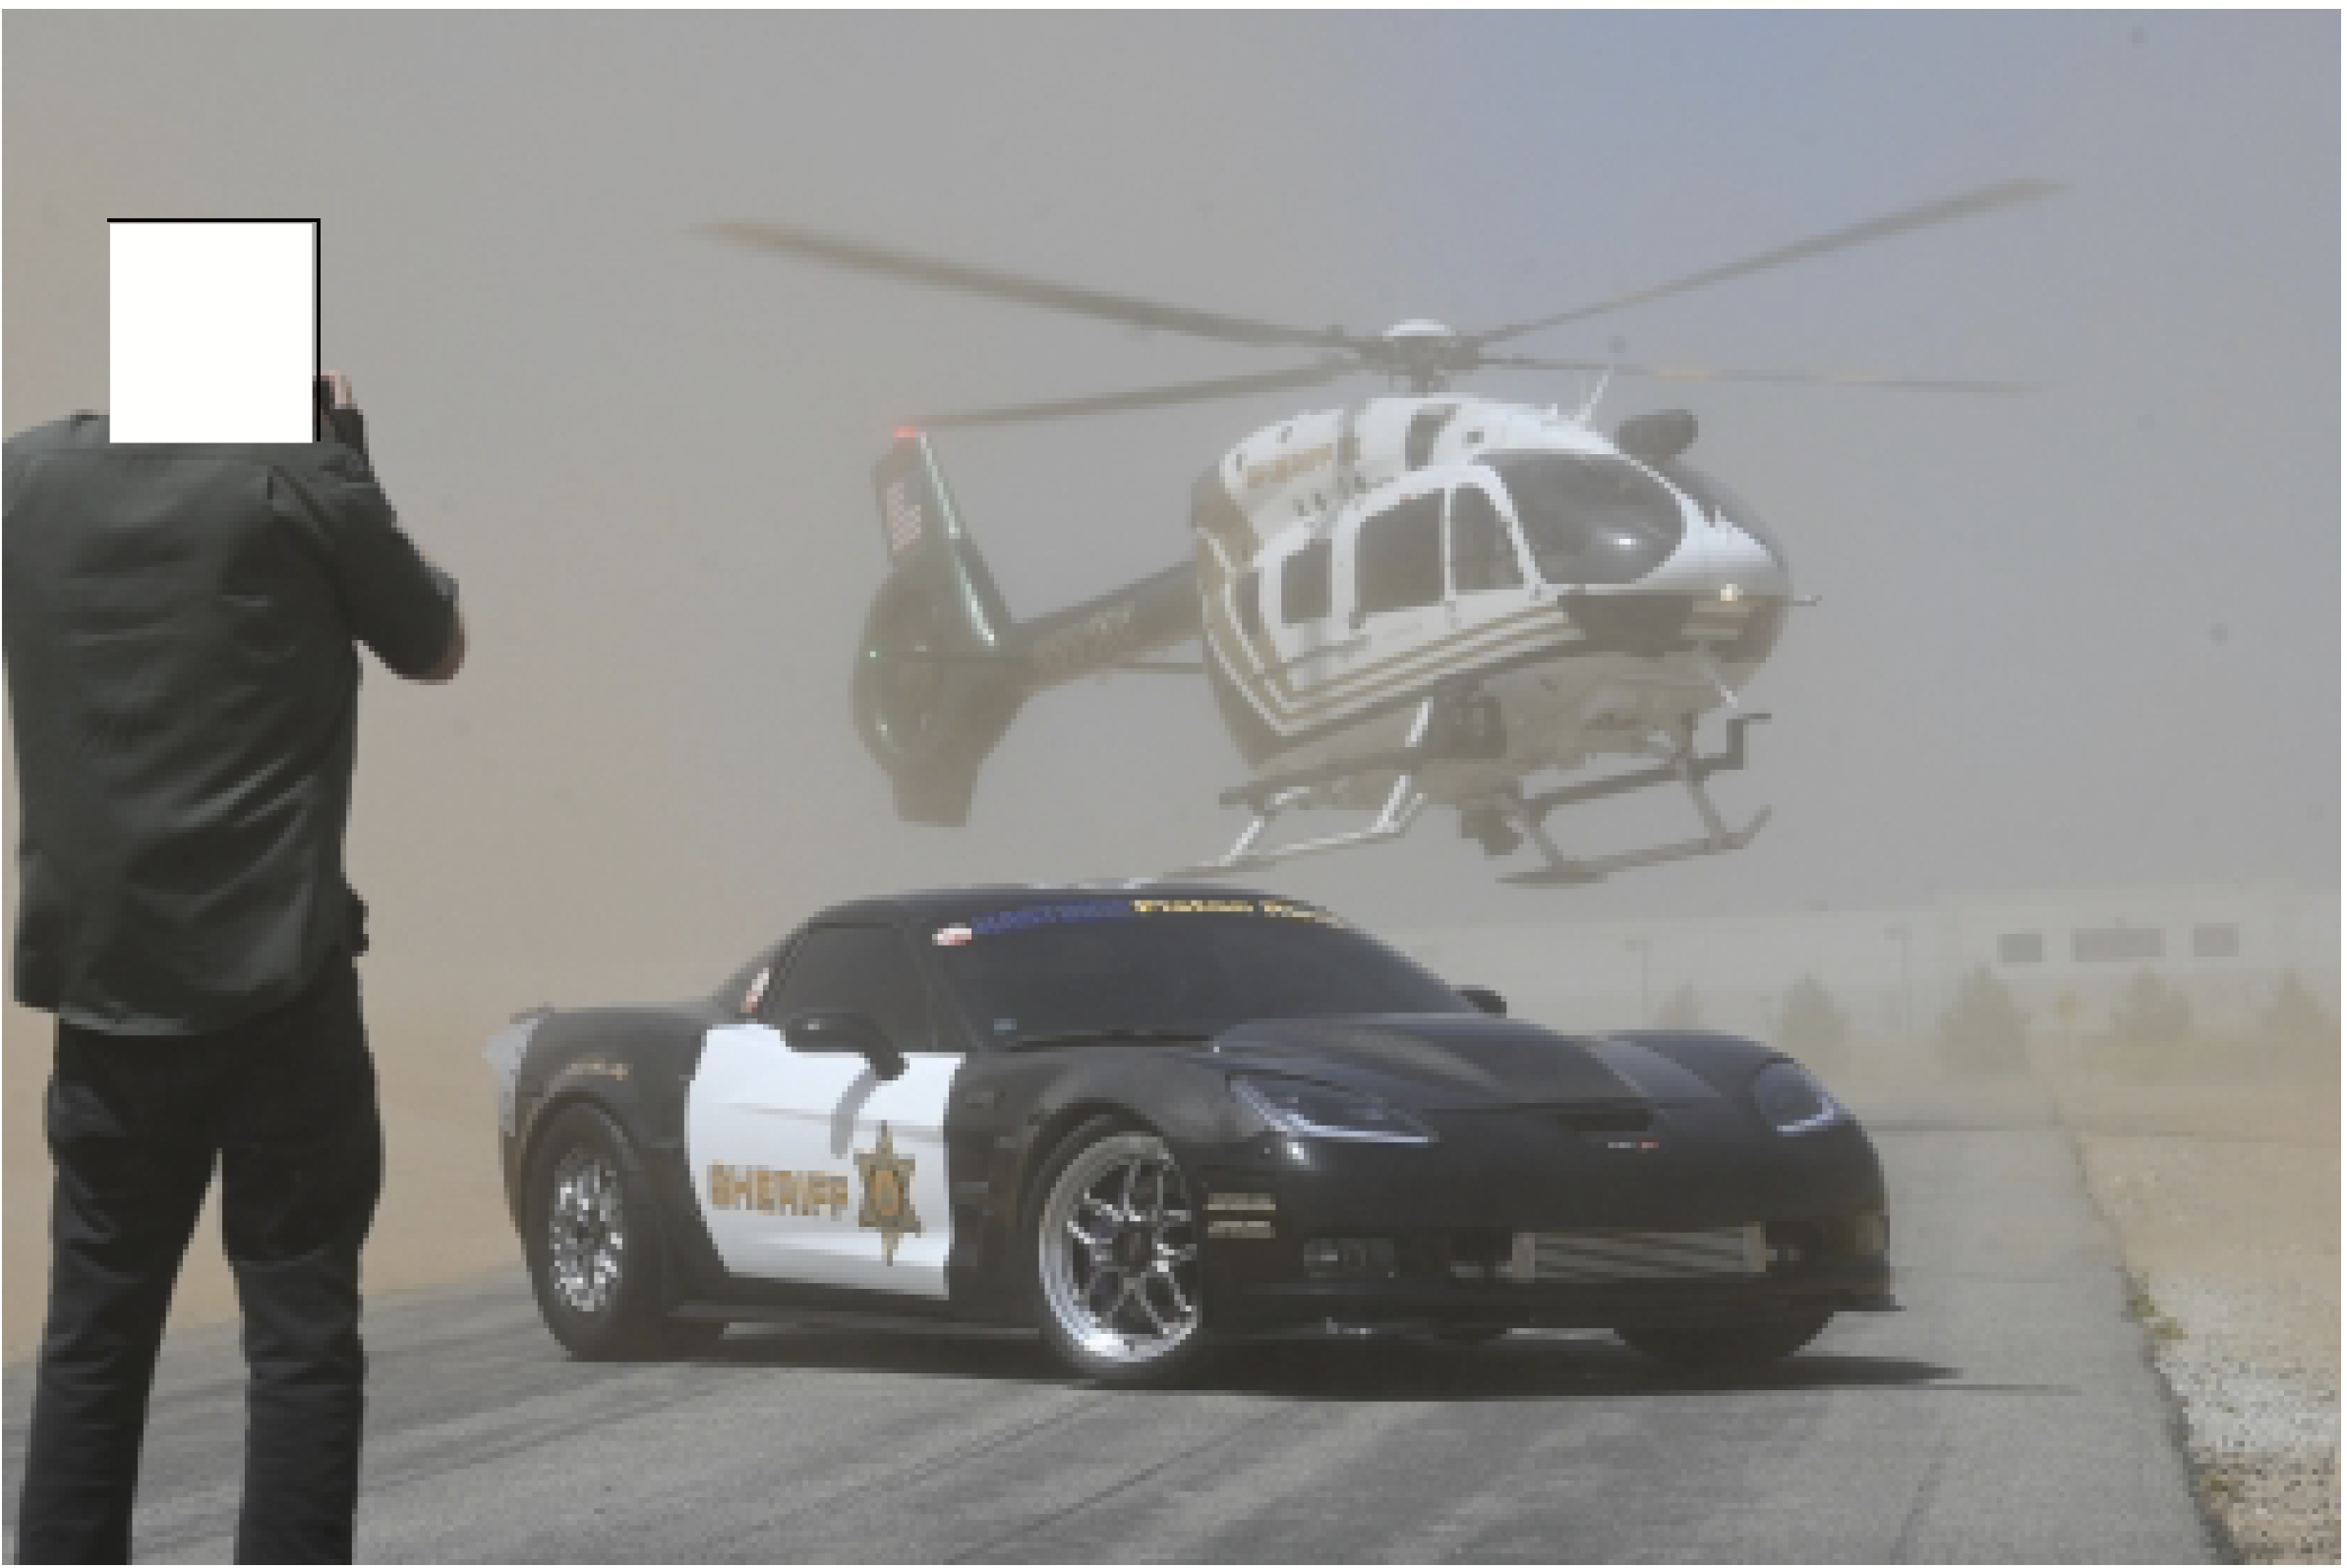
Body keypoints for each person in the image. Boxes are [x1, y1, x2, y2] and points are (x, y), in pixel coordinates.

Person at [5, 372, 464, 1563]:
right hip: (281, 996)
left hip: (106, 1008)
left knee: (93, 1348)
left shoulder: (24, 481)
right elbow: (435, 645)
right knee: (299, 1340)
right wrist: (346, 455)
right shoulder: (300, 480)